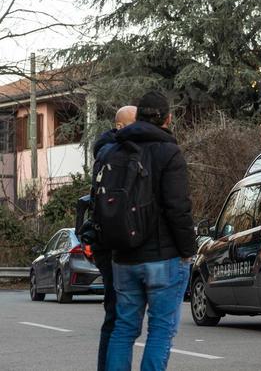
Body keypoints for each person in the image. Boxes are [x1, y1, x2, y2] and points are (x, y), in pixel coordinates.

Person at [104, 92, 196, 370]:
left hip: (124, 255)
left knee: (123, 329)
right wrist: (187, 250)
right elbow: (178, 208)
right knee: (160, 330)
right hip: (163, 256)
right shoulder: (169, 152)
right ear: (167, 119)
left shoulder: (114, 151)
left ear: (138, 116)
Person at [81, 105, 136, 371]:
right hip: (114, 243)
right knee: (118, 317)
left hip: (107, 241)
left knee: (116, 315)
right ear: (122, 127)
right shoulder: (115, 154)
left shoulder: (105, 152)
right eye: (137, 123)